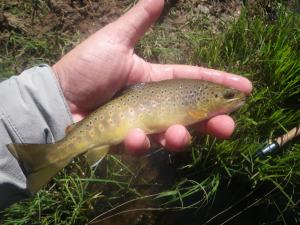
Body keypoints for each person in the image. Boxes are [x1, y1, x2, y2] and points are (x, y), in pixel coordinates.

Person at [0, 0, 252, 210]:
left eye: (229, 97)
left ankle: (47, 157)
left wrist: (44, 103)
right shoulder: (198, 104)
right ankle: (51, 155)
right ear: (205, 99)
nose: (235, 100)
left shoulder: (199, 102)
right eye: (227, 96)